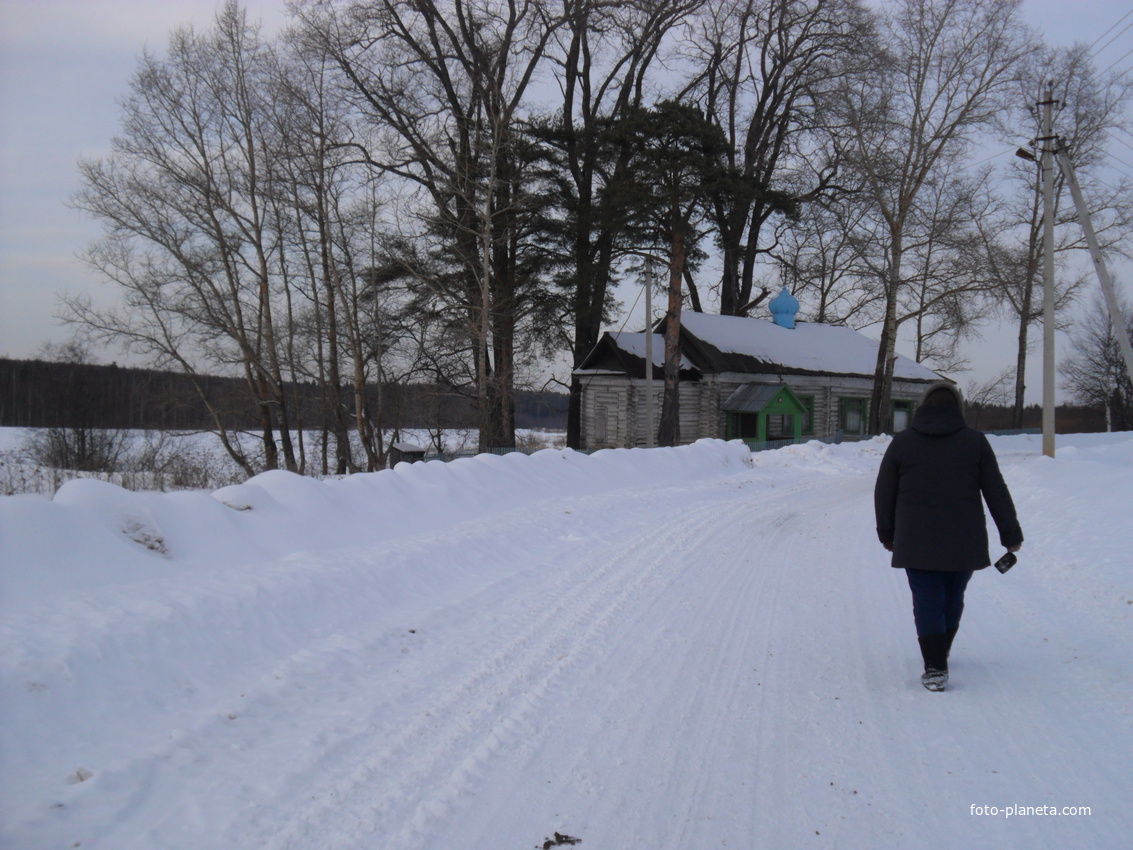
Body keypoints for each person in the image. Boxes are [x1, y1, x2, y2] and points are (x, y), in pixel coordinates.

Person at [873, 381, 1023, 691]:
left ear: (923, 407)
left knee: (927, 598)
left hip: (915, 538)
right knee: (953, 597)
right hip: (963, 539)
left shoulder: (903, 443)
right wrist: (1010, 535)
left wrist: (887, 534)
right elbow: (996, 490)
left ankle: (935, 664)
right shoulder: (975, 442)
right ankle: (941, 651)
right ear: (958, 409)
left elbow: (883, 492)